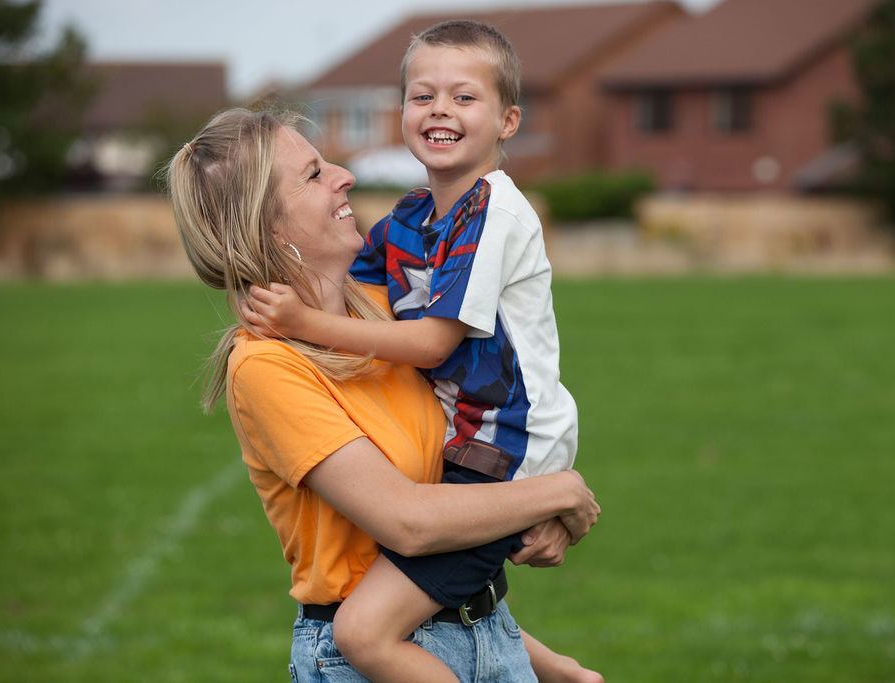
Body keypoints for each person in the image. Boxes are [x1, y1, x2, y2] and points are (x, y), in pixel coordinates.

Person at [167, 107, 601, 682]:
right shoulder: (267, 366)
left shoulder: (383, 310)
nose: (344, 175)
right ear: (268, 226)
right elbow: (408, 525)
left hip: (484, 634)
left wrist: (547, 664)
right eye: (314, 175)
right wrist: (558, 492)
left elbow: (444, 539)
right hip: (363, 663)